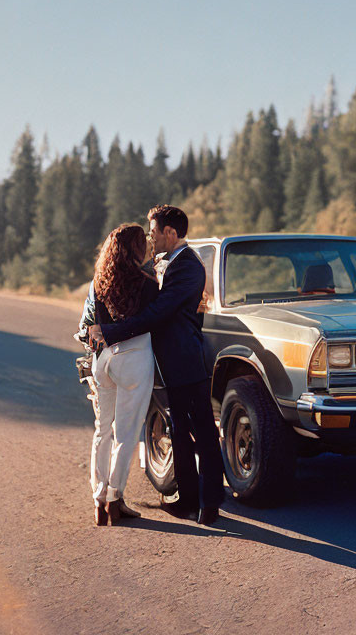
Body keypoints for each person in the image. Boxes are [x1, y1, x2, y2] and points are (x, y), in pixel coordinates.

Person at [89, 205, 224, 525]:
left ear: (171, 233)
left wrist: (108, 332)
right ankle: (186, 499)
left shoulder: (189, 266)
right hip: (164, 363)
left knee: (203, 431)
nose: (150, 237)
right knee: (179, 432)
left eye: (154, 231)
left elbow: (159, 312)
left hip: (185, 359)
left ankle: (210, 503)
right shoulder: (162, 264)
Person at [79, 223, 159, 526]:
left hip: (103, 361)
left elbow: (93, 324)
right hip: (134, 359)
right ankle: (115, 498)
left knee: (103, 431)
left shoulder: (99, 282)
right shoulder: (148, 284)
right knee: (126, 435)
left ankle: (98, 499)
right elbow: (152, 321)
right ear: (136, 249)